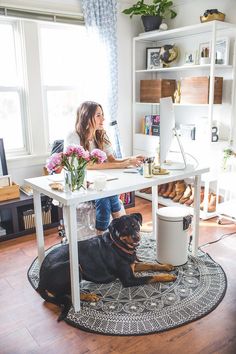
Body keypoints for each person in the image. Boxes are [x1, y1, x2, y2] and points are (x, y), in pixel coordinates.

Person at [64, 101, 144, 235]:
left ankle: (104, 236)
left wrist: (130, 159)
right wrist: (124, 164)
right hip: (81, 184)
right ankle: (117, 234)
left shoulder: (101, 134)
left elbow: (111, 160)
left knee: (106, 195)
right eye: (98, 115)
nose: (103, 119)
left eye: (103, 115)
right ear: (86, 117)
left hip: (99, 181)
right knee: (105, 196)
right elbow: (88, 166)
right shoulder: (73, 136)